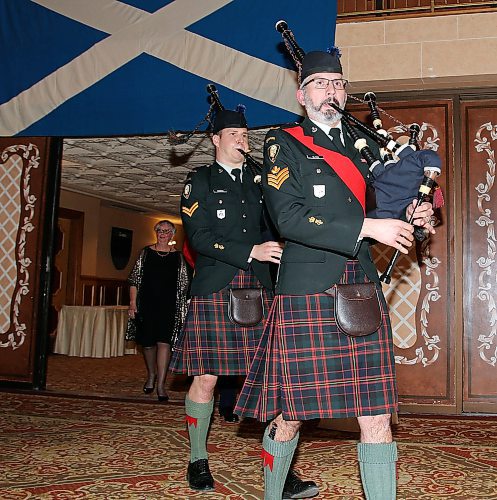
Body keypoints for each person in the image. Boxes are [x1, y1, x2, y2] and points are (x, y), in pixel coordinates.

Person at [234, 50, 436, 500]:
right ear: (303, 95)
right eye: (322, 83)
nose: (332, 90)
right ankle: (273, 493)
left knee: (376, 414)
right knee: (291, 414)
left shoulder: (365, 146)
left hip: (359, 287)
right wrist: (369, 226)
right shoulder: (282, 143)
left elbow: (386, 204)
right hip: (307, 287)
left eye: (339, 83)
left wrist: (415, 212)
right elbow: (288, 217)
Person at [169, 108, 318, 499]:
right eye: (233, 133)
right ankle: (198, 458)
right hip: (216, 287)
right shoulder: (199, 180)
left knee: (274, 381)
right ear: (216, 139)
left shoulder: (261, 180)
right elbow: (199, 237)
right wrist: (249, 250)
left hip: (260, 290)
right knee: (206, 378)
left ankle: (281, 472)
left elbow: (284, 222)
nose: (241, 138)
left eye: (244, 133)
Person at [126, 219, 190, 402]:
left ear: (172, 234)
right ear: (156, 232)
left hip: (169, 307)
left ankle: (161, 384)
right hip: (146, 305)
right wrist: (132, 303)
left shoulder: (178, 257)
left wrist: (183, 310)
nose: (163, 233)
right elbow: (134, 280)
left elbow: (185, 286)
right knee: (147, 344)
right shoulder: (145, 253)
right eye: (160, 230)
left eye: (166, 230)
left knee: (165, 343)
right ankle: (151, 374)